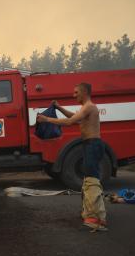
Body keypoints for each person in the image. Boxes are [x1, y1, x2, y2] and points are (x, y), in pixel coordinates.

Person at [36, 82, 107, 231]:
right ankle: (89, 212)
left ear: (84, 92)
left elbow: (69, 122)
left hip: (93, 145)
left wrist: (47, 119)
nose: (73, 95)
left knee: (92, 181)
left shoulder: (89, 107)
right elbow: (74, 117)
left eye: (76, 93)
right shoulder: (85, 108)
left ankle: (97, 219)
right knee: (88, 180)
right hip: (89, 145)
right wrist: (59, 107)